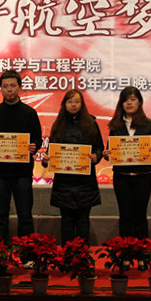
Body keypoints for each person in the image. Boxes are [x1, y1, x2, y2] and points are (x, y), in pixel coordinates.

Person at [0, 69, 42, 243]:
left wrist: (34, 146)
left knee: (25, 215)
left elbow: (37, 138)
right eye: (5, 86)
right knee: (0, 215)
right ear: (0, 88)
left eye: (12, 86)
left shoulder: (29, 113)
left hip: (22, 172)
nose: (9, 89)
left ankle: (27, 252)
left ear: (19, 87)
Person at [42, 89, 104, 244]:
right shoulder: (58, 125)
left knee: (83, 219)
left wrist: (96, 156)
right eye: (70, 102)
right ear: (64, 104)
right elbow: (51, 151)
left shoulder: (91, 123)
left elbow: (99, 148)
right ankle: (67, 253)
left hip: (85, 181)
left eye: (77, 101)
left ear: (82, 104)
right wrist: (46, 159)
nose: (73, 105)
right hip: (64, 181)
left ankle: (82, 254)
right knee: (66, 219)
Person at [103, 86, 151, 240]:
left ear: (139, 102)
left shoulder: (148, 124)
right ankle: (125, 250)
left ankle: (141, 250)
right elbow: (109, 150)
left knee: (140, 215)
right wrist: (107, 154)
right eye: (125, 100)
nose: (129, 103)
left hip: (142, 176)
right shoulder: (116, 125)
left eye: (133, 99)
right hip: (121, 177)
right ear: (121, 103)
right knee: (125, 215)